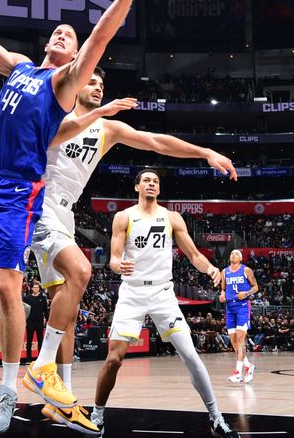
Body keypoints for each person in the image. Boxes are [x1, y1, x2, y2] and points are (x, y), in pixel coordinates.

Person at [0, 0, 148, 435]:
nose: (61, 32)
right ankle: (21, 311)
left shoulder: (63, 84)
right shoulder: (19, 67)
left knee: (9, 287)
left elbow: (101, 35)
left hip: (18, 193)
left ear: (76, 58)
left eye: (69, 35)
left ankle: (7, 391)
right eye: (56, 30)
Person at [28, 66, 235, 431]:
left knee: (67, 305)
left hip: (66, 213)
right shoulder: (57, 111)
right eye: (91, 81)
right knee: (78, 273)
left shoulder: (108, 129)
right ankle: (24, 348)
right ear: (75, 85)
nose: (98, 87)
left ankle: (63, 401)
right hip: (39, 201)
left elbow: (157, 141)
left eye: (102, 84)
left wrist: (205, 152)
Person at [90, 170, 238, 437]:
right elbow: (113, 258)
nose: (151, 184)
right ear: (137, 186)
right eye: (146, 180)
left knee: (191, 355)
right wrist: (117, 266)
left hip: (163, 293)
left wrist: (211, 269)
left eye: (155, 181)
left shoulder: (171, 218)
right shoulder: (123, 217)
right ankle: (97, 416)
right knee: (114, 358)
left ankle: (216, 418)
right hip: (132, 293)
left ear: (159, 188)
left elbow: (193, 255)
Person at [219, 249, 259, 384]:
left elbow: (256, 287)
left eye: (236, 253)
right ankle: (249, 366)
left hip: (242, 306)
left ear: (241, 258)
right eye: (231, 253)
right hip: (229, 307)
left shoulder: (246, 270)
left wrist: (247, 293)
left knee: (241, 339)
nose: (233, 255)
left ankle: (238, 372)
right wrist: (222, 295)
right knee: (234, 342)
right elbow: (223, 288)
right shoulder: (224, 272)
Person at [23, 281, 48, 363]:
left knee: (40, 340)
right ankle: (28, 359)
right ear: (32, 288)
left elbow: (46, 311)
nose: (36, 289)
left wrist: (47, 320)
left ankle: (40, 359)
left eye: (37, 287)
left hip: (39, 322)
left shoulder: (43, 298)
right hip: (30, 322)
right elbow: (24, 311)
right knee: (29, 341)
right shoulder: (27, 298)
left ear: (39, 289)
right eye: (34, 287)